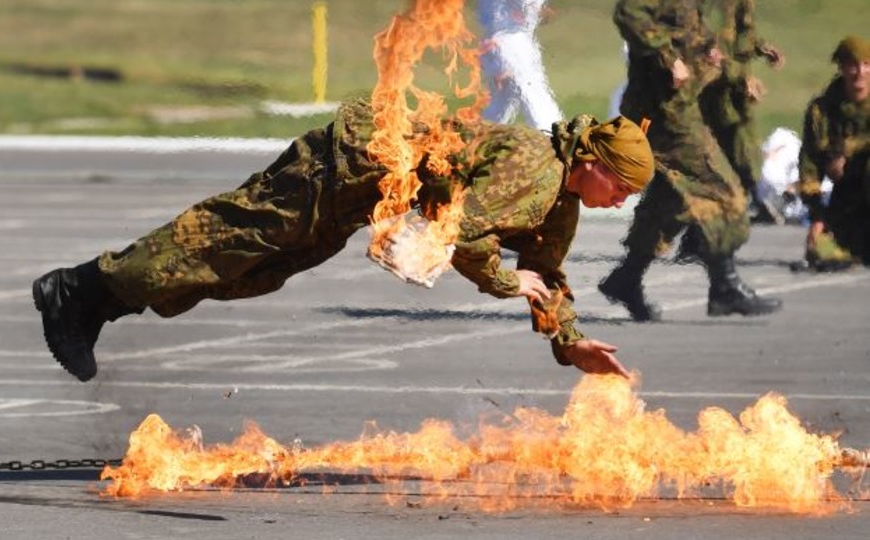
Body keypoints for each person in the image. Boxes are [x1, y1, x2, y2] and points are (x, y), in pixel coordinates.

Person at [32, 99, 654, 383]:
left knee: (247, 275)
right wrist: (500, 279)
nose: (622, 202)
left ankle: (95, 302)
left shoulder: (560, 201)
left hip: (360, 195)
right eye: (622, 187)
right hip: (347, 163)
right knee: (221, 241)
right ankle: (78, 289)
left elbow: (544, 273)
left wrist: (570, 342)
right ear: (593, 162)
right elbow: (458, 233)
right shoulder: (536, 168)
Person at [599, 0, 781, 322]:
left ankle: (627, 277)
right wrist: (668, 58)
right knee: (724, 191)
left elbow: (693, 36)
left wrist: (726, 63)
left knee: (669, 199)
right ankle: (724, 286)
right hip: (665, 113)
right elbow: (628, 13)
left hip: (677, 107)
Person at [698, 0, 785, 224]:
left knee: (743, 144)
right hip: (712, 87)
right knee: (718, 148)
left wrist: (762, 47)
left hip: (735, 88)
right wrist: (740, 77)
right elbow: (709, 52)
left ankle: (751, 199)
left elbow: (740, 36)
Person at [795, 36, 870, 271]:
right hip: (847, 197)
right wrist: (817, 216)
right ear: (841, 67)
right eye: (852, 65)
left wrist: (848, 151)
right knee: (823, 251)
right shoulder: (823, 111)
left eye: (867, 64)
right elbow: (809, 166)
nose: (860, 72)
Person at [477, 0, 564, 129]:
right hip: (510, 42)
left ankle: (477, 139)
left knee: (504, 102)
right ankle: (556, 141)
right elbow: (524, 8)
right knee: (534, 94)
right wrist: (536, 11)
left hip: (498, 42)